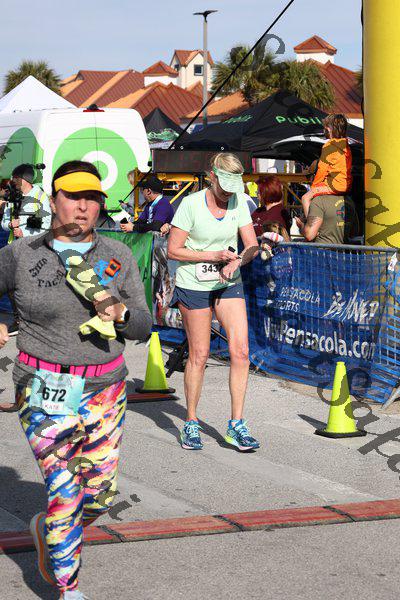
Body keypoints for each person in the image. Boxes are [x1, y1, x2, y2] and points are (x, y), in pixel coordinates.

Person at [0, 160, 152, 600]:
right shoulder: (21, 254)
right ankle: (70, 589)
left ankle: (48, 528)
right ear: (53, 202)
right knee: (66, 490)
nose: (83, 207)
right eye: (73, 197)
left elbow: (144, 325)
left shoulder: (117, 255)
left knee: (98, 496)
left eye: (92, 199)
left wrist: (122, 313)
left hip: (106, 389)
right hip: (43, 387)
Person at [168, 152, 260, 452]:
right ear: (212, 177)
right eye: (224, 187)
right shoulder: (190, 204)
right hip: (193, 283)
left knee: (241, 351)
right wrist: (213, 255)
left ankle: (237, 424)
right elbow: (173, 250)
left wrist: (238, 261)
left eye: (233, 188)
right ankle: (191, 422)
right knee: (200, 354)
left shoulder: (239, 201)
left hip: (227, 282)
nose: (228, 193)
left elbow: (252, 245)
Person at [1, 164, 52, 336]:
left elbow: (45, 223)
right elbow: (4, 223)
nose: (13, 181)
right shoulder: (12, 196)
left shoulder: (39, 196)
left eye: (16, 178)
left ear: (25, 179)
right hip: (14, 249)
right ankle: (19, 321)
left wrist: (24, 231)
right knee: (11, 284)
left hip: (34, 248)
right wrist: (10, 224)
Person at [301, 114, 353, 218]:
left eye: (325, 128)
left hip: (334, 186)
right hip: (346, 185)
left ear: (329, 129)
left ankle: (310, 223)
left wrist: (313, 187)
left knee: (305, 198)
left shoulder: (329, 146)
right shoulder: (346, 146)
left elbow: (322, 170)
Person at [295, 194, 359, 244]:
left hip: (323, 252)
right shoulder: (349, 201)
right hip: (344, 253)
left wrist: (301, 226)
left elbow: (309, 235)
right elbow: (354, 232)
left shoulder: (319, 201)